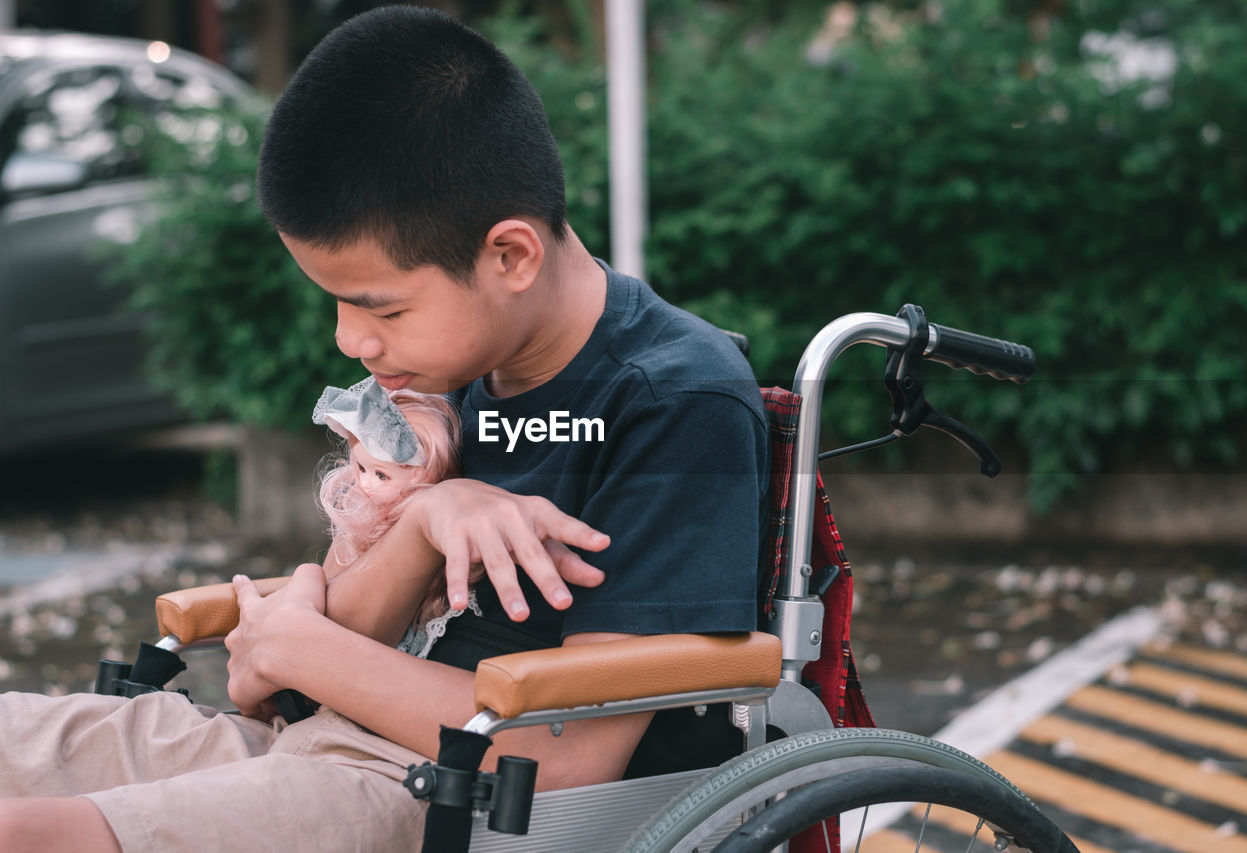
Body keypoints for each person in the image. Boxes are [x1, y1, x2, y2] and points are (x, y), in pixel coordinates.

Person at [0, 6, 768, 852]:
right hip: (322, 740)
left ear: (511, 257)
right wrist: (424, 526)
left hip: (462, 794)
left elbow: (571, 754)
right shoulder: (455, 371)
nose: (351, 342)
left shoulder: (672, 399)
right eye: (336, 300)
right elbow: (296, 676)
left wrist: (294, 644)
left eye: (383, 306)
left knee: (44, 834)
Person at [312, 376, 482, 656]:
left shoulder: (436, 519)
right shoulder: (362, 514)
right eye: (361, 469)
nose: (365, 485)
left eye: (382, 475)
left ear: (419, 474)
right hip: (350, 629)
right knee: (308, 577)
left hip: (398, 642)